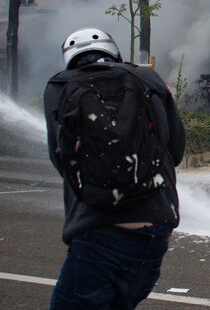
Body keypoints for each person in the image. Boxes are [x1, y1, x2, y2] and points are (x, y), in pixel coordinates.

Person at [44, 28, 185, 309]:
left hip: (99, 231)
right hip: (156, 230)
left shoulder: (59, 88)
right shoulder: (146, 79)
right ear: (115, 53)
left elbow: (61, 161)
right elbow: (176, 151)